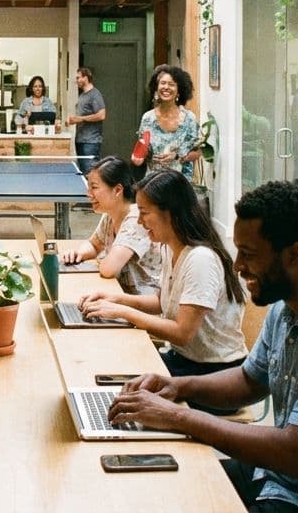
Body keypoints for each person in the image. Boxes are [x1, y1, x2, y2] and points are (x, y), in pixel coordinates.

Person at [106, 181, 298, 513]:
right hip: (280, 481)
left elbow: (294, 453)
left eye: (248, 254)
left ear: (294, 254)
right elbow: (250, 381)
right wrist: (177, 386)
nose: (236, 267)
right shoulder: (288, 306)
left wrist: (178, 417)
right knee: (164, 489)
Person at [78, 170, 246, 396]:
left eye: (144, 213)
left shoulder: (200, 259)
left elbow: (182, 333)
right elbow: (162, 301)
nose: (139, 221)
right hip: (184, 362)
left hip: (214, 376)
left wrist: (122, 312)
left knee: (115, 386)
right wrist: (115, 299)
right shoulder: (172, 246)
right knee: (104, 365)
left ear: (171, 213)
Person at [59, 156, 159, 295]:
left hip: (144, 300)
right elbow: (94, 245)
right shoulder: (109, 215)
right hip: (121, 292)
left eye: (94, 187)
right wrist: (78, 254)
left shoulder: (137, 219)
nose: (89, 194)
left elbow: (108, 269)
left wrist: (103, 260)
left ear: (118, 190)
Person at [133, 64, 201, 179]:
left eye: (171, 84)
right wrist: (138, 159)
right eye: (163, 83)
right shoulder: (148, 118)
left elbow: (198, 152)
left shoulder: (189, 119)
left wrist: (177, 156)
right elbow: (144, 150)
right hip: (153, 183)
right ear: (156, 88)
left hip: (180, 182)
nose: (166, 87)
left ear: (179, 90)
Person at [65, 67, 106, 173]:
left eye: (78, 78)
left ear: (85, 78)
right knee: (83, 172)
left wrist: (80, 119)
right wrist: (72, 120)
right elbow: (81, 116)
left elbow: (102, 115)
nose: (77, 81)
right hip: (80, 140)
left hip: (91, 142)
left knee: (90, 174)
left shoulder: (95, 94)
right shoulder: (82, 96)